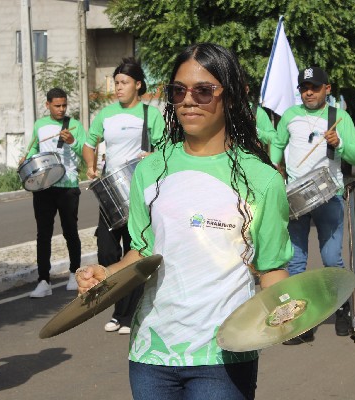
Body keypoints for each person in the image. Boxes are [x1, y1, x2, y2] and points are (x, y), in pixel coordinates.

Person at [76, 43, 293, 400]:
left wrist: (294, 311)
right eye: (179, 91)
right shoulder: (149, 170)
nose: (188, 100)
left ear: (230, 96)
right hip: (152, 354)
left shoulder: (263, 180)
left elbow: (270, 268)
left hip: (223, 354)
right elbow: (142, 253)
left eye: (203, 90)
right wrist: (105, 274)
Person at [270, 66, 355, 344]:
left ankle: (343, 308)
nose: (308, 92)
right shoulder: (290, 115)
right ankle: (301, 321)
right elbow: (277, 144)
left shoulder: (338, 117)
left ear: (327, 89)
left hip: (329, 195)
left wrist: (341, 143)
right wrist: (275, 167)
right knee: (296, 261)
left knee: (331, 258)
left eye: (314, 87)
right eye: (304, 88)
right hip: (295, 197)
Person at [82, 57, 165, 334]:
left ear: (138, 85)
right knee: (107, 251)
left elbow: (165, 148)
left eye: (124, 82)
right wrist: (90, 165)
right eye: (116, 83)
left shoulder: (150, 114)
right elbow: (89, 143)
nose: (118, 87)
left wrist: (153, 156)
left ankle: (129, 315)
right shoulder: (106, 114)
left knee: (134, 251)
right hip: (111, 193)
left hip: (139, 193)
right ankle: (119, 310)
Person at [25, 87, 86, 297]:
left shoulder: (75, 125)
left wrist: (73, 142)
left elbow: (85, 151)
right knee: (43, 234)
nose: (61, 109)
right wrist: (26, 161)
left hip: (68, 185)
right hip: (44, 186)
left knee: (70, 231)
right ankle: (43, 280)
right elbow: (33, 149)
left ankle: (74, 273)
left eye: (64, 105)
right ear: (48, 105)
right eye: (57, 105)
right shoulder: (40, 125)